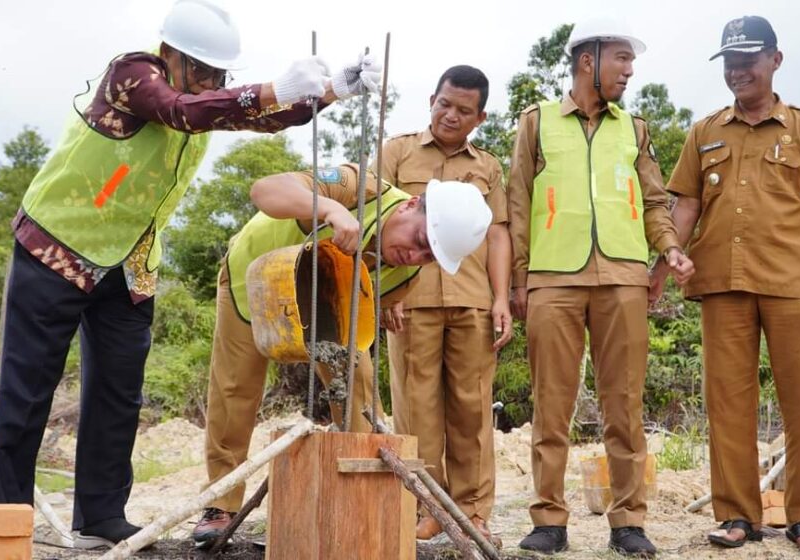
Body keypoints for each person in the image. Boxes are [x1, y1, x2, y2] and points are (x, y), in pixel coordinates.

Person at [0, 0, 380, 549]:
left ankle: (99, 515)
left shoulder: (204, 98)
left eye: (220, 76)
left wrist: (329, 89)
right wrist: (271, 87)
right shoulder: (133, 75)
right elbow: (179, 111)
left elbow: (261, 115)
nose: (212, 82)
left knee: (120, 393)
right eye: (205, 71)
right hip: (57, 245)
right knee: (27, 393)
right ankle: (2, 519)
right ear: (175, 54)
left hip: (130, 260)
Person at [191, 163, 492, 547]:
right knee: (234, 392)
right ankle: (220, 505)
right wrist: (330, 210)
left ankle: (359, 498)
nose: (414, 255)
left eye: (428, 255)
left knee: (359, 389)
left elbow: (372, 306)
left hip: (326, 303)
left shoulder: (408, 274)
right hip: (255, 277)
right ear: (410, 205)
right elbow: (264, 189)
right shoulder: (360, 188)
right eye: (418, 238)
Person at [507, 17, 694, 557]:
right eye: (621, 59)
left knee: (625, 404)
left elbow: (656, 200)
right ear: (587, 60)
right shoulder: (536, 123)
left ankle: (628, 521)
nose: (629, 71)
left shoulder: (633, 128)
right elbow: (518, 201)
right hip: (552, 279)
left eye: (630, 62)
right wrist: (520, 279)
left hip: (623, 278)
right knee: (551, 404)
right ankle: (549, 520)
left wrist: (670, 249)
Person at [649, 15, 800, 554]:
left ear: (775, 60)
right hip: (721, 282)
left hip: (792, 281)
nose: (738, 72)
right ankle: (740, 515)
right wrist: (666, 261)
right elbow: (686, 203)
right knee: (728, 403)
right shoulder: (705, 131)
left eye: (749, 60)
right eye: (730, 63)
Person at [373, 64, 510, 546]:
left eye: (464, 110)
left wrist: (500, 298)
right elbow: (378, 217)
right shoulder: (395, 151)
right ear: (432, 98)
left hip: (472, 299)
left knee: (472, 409)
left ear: (481, 117)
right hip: (411, 300)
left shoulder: (489, 166)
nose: (450, 116)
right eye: (444, 104)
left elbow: (497, 234)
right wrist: (383, 292)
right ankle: (426, 507)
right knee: (416, 407)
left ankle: (472, 511)